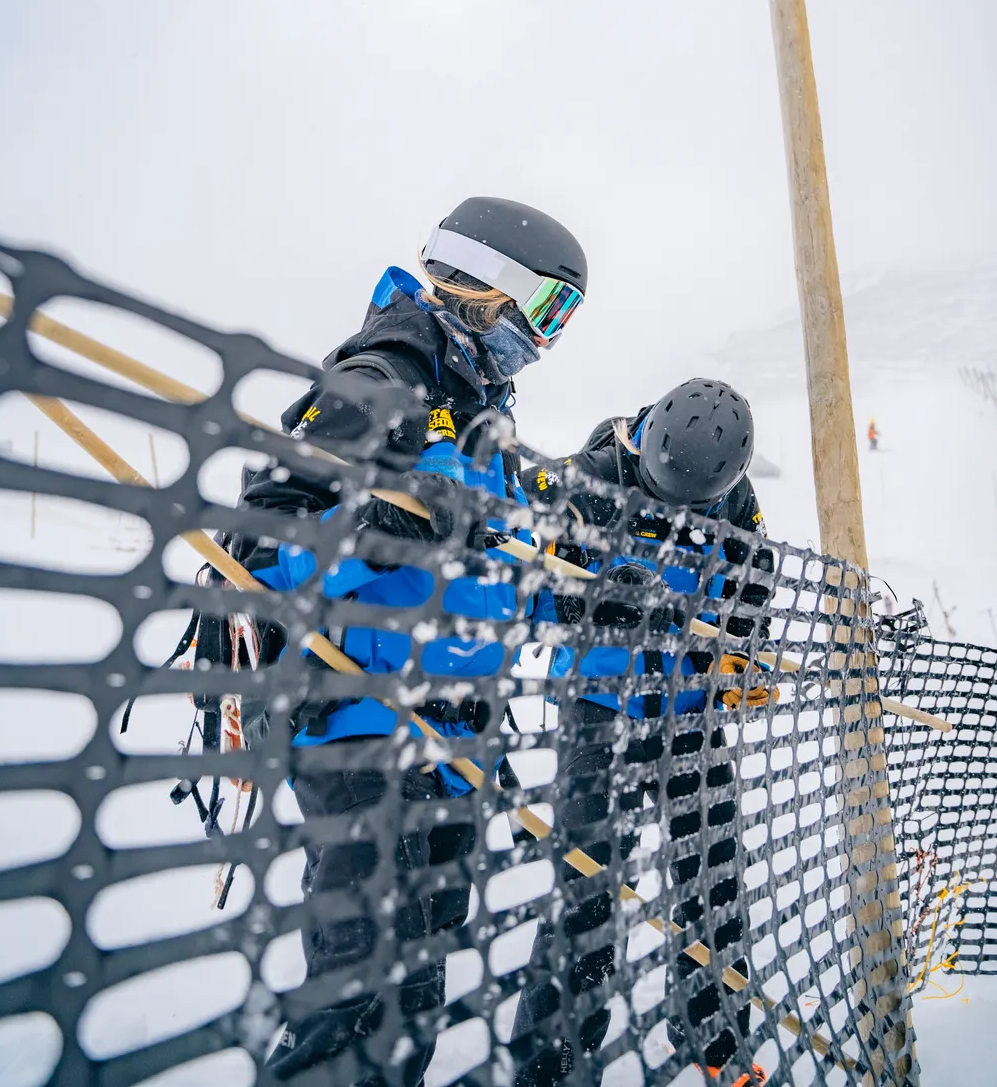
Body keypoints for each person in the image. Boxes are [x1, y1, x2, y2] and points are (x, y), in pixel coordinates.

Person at [214, 197, 588, 1085]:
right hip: (357, 720)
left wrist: (565, 597)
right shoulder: (387, 375)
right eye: (549, 311)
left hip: (443, 730)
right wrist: (382, 522)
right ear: (495, 286)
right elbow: (259, 553)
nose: (549, 337)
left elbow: (479, 571)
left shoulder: (481, 411)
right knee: (358, 988)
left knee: (418, 982)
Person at [511, 380, 774, 1085]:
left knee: (713, 882)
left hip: (690, 714)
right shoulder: (589, 481)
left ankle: (722, 1049)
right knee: (589, 892)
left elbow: (755, 585)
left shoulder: (737, 504)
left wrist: (743, 647)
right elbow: (532, 591)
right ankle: (554, 1064)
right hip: (603, 709)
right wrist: (601, 604)